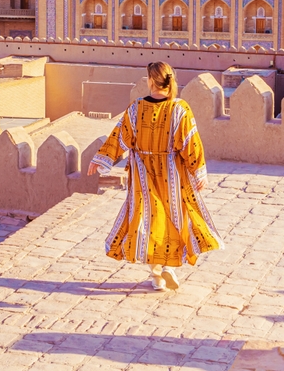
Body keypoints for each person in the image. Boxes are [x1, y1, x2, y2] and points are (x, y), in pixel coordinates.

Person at [87, 61, 222, 291]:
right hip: (173, 175)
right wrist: (199, 172)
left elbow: (120, 137)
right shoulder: (180, 108)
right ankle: (169, 268)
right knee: (175, 218)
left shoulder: (136, 108)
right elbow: (192, 143)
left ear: (150, 81)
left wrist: (101, 159)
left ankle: (157, 274)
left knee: (147, 221)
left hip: (143, 175)